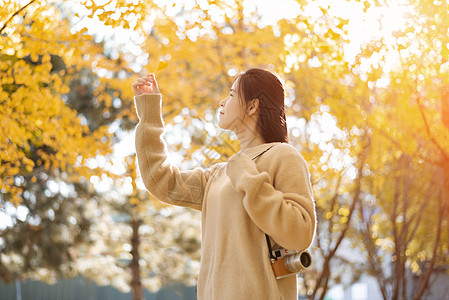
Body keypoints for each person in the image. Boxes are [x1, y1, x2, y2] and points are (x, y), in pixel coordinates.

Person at [132, 68, 316, 300]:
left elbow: (299, 233)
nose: (222, 101)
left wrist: (248, 178)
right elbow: (162, 181)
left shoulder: (282, 156)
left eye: (231, 95)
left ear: (252, 106)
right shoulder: (219, 174)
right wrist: (149, 113)